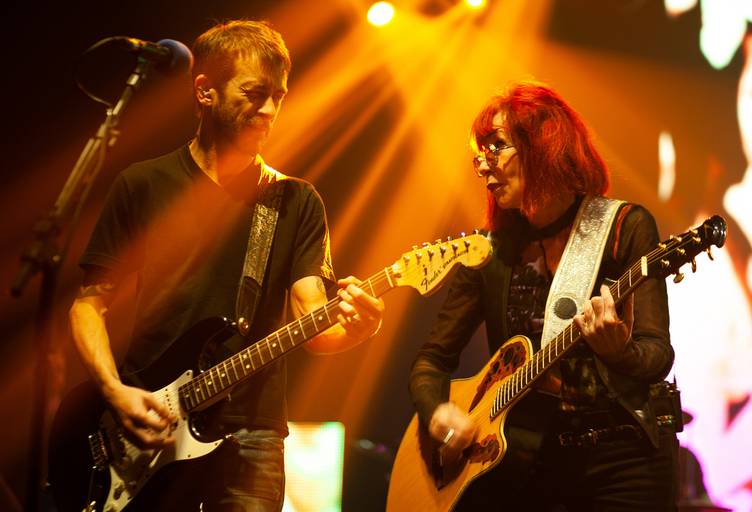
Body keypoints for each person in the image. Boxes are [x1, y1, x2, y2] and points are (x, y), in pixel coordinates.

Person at [66, 20, 384, 511]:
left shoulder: (295, 201)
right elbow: (88, 305)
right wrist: (114, 391)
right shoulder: (143, 184)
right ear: (205, 91)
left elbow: (314, 323)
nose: (269, 110)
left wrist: (359, 330)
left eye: (278, 96)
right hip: (151, 421)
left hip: (251, 435)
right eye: (254, 94)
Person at [408, 81, 678, 510]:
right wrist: (438, 413)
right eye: (480, 154)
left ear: (543, 146)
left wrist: (619, 352)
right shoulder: (491, 251)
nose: (483, 166)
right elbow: (431, 360)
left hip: (625, 459)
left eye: (497, 147)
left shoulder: (623, 227)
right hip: (528, 462)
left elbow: (657, 354)